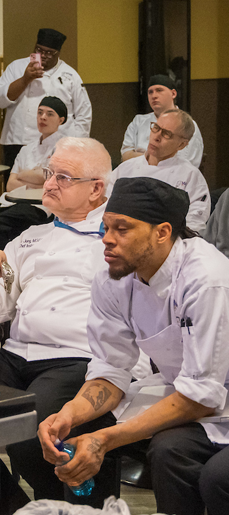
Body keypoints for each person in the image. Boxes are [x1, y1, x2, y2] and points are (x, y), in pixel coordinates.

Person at [0, 137, 116, 515]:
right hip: (14, 355)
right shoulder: (30, 237)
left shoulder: (115, 237)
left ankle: (70, 505)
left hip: (76, 360)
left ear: (96, 189)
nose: (49, 183)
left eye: (63, 177)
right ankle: (11, 507)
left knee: (31, 436)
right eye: (49, 173)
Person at [39, 177, 229, 515]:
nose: (107, 241)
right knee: (81, 428)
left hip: (212, 396)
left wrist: (108, 439)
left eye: (122, 229)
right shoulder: (114, 277)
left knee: (177, 454)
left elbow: (201, 395)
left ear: (162, 232)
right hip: (189, 392)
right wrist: (69, 413)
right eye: (106, 227)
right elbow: (111, 369)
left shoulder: (206, 279)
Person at [0, 96, 67, 253]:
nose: (43, 117)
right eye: (40, 113)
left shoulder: (64, 147)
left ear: (61, 120)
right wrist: (36, 178)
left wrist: (24, 175)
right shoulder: (26, 149)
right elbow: (10, 184)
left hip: (39, 205)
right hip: (11, 200)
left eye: (49, 114)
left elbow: (48, 178)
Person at [0, 28, 92, 182]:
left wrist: (76, 146)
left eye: (49, 52)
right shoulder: (17, 67)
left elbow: (84, 114)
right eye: (39, 50)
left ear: (58, 53)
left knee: (51, 189)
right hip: (19, 141)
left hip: (58, 146)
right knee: (16, 186)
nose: (43, 55)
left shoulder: (70, 75)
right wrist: (25, 79)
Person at [110, 108, 210, 232]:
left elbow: (194, 223)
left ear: (182, 145)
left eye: (166, 134)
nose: (156, 137)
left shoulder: (190, 176)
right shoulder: (125, 169)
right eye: (156, 128)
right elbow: (103, 207)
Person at [121, 74, 204, 168]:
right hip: (136, 176)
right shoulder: (138, 121)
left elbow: (184, 164)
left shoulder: (187, 125)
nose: (154, 96)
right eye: (150, 92)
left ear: (173, 93)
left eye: (159, 90)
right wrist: (156, 158)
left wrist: (141, 157)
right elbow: (126, 156)